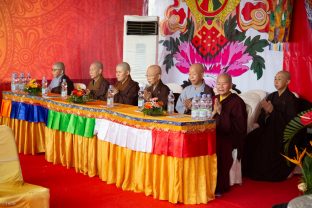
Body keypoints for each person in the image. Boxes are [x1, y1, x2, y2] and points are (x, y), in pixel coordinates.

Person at [243, 71, 299, 181]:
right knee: (251, 137)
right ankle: (249, 170)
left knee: (266, 143)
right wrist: (267, 113)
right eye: (275, 79)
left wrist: (272, 111)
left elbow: (291, 123)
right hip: (269, 128)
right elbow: (263, 116)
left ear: (288, 82)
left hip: (283, 132)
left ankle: (271, 173)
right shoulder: (272, 96)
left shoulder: (291, 99)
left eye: (279, 79)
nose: (276, 81)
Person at [212, 73, 247, 194]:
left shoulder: (237, 102)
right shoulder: (214, 98)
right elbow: (207, 117)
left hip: (229, 136)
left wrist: (222, 112)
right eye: (218, 83)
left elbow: (240, 127)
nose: (221, 86)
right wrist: (213, 112)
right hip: (213, 132)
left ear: (231, 85)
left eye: (224, 83)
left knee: (218, 147)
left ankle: (218, 186)